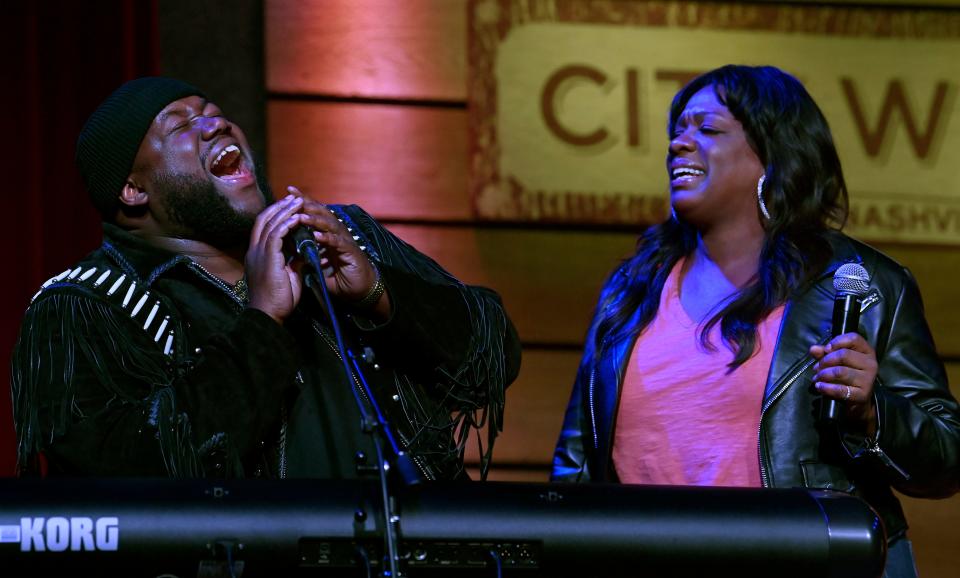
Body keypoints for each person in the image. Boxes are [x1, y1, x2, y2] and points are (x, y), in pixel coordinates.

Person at [551, 65, 959, 576]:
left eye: (708, 129)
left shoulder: (861, 283)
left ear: (772, 156)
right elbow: (576, 466)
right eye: (677, 131)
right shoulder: (632, 290)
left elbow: (947, 458)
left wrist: (874, 413)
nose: (680, 143)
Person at [12, 77, 521, 481]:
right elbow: (125, 472)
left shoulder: (336, 234)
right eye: (179, 126)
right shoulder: (84, 305)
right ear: (131, 189)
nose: (215, 125)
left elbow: (492, 357)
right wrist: (262, 323)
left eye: (213, 112)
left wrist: (377, 294)